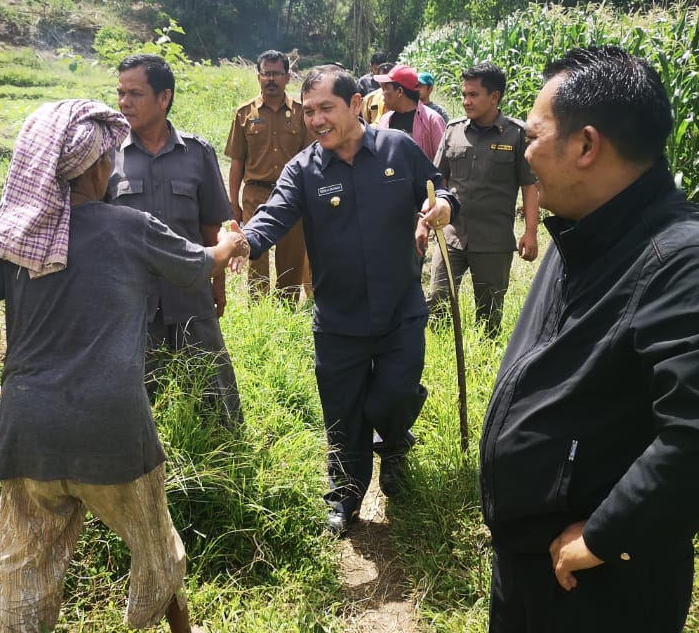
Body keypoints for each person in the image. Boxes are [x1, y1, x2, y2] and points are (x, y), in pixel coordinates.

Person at [478, 46, 699, 631]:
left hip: (594, 584)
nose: (525, 152)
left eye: (533, 136)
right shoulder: (587, 226)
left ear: (586, 146)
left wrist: (607, 534)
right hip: (529, 562)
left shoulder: (683, 259)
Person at [0, 100, 249, 633]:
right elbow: (200, 265)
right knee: (155, 546)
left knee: (25, 568)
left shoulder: (11, 239)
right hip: (112, 426)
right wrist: (227, 243)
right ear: (98, 168)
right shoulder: (129, 228)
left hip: (27, 430)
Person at [234, 65, 459, 534]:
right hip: (339, 317)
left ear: (355, 105)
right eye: (310, 110)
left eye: (326, 108)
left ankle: (394, 443)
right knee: (341, 411)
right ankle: (345, 494)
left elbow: (442, 187)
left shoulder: (399, 149)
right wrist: (241, 243)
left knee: (394, 394)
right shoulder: (304, 169)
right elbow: (272, 217)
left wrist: (443, 207)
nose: (315, 120)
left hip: (400, 309)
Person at [109, 53, 243, 428]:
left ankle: (230, 470)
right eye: (120, 93)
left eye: (135, 93)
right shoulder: (106, 155)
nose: (124, 102)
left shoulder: (197, 154)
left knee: (217, 401)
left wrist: (218, 284)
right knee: (135, 409)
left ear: (164, 97)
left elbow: (213, 225)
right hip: (132, 305)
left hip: (190, 296)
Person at [428, 62, 539, 337]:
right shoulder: (453, 130)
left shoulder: (516, 134)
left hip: (493, 241)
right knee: (437, 302)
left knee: (489, 313)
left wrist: (531, 232)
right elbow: (438, 179)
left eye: (473, 95)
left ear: (494, 97)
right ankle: (443, 358)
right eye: (464, 94)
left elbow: (529, 185)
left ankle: (486, 361)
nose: (466, 101)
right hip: (451, 236)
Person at [225, 49, 315, 301]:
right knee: (255, 255)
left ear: (288, 77)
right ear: (258, 77)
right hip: (256, 194)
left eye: (277, 74)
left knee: (292, 258)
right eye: (266, 74)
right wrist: (233, 203)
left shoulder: (301, 113)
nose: (271, 79)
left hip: (293, 196)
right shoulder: (245, 114)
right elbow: (237, 162)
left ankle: (286, 308)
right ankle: (259, 308)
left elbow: (311, 160)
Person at [376, 64, 446, 162]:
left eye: (386, 88)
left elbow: (443, 163)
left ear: (400, 91)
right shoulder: (385, 120)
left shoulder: (432, 120)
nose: (382, 94)